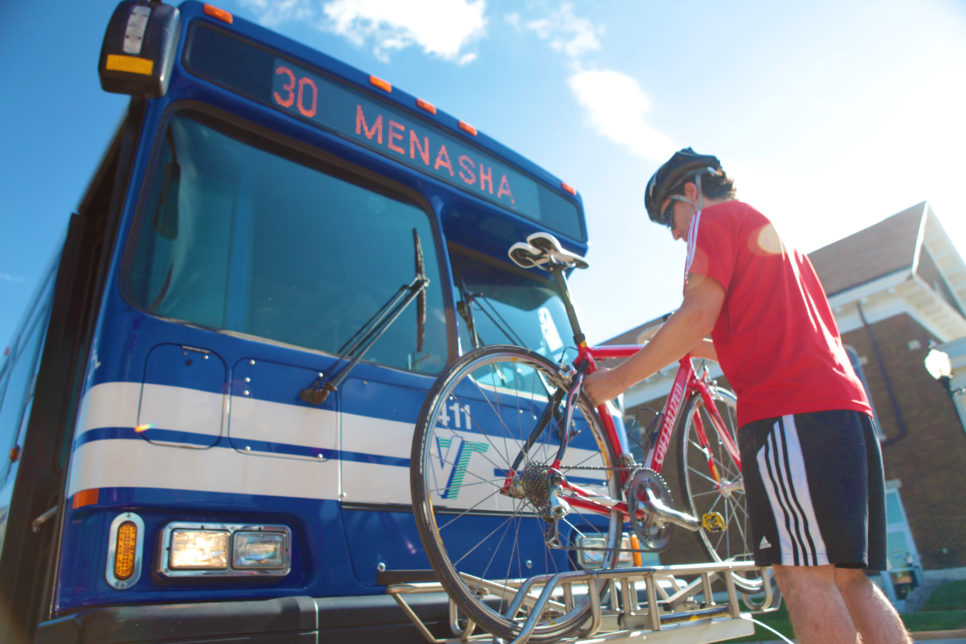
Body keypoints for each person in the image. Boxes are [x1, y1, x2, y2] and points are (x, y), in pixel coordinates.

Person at [583, 148, 911, 644]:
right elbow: (752, 335)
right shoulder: (771, 233)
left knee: (800, 575)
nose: (673, 232)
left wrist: (613, 383)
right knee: (848, 580)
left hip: (792, 415)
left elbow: (695, 314)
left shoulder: (712, 223)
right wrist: (685, 344)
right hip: (844, 411)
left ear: (691, 193)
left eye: (669, 217)